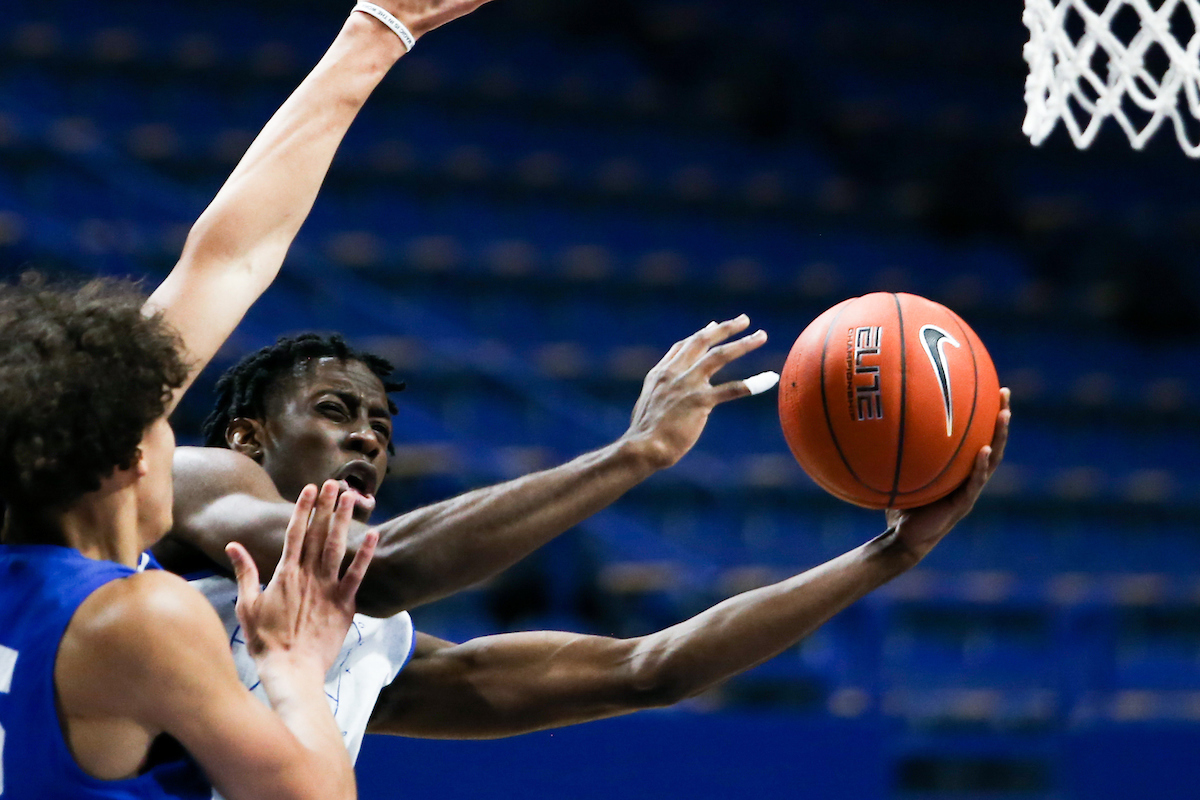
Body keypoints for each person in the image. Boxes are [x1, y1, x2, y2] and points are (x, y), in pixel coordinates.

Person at [0, 0, 493, 794]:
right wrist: (295, 665)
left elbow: (228, 260)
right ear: (129, 455)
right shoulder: (140, 618)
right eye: (160, 420)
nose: (174, 426)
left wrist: (379, 32)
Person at [160, 318, 1010, 750]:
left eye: (382, 424)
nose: (369, 438)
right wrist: (634, 453)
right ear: (247, 435)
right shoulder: (193, 480)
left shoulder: (367, 655)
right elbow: (374, 570)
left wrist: (890, 554)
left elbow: (649, 671)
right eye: (336, 411)